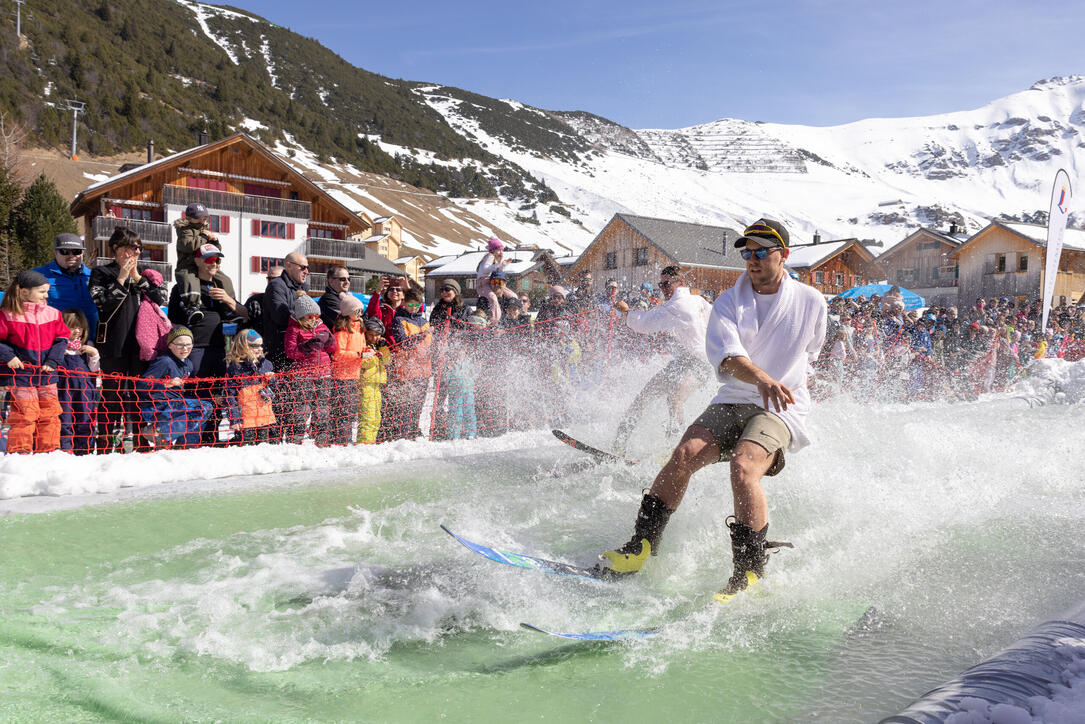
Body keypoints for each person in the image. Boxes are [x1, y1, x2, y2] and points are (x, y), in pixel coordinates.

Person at [596, 219, 827, 601]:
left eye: (760, 251)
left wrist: (786, 385)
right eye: (746, 252)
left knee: (744, 465)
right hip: (734, 395)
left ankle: (750, 570)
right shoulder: (728, 301)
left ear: (783, 255)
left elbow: (812, 351)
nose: (751, 259)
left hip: (778, 407)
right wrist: (762, 377)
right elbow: (729, 358)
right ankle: (642, 547)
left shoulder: (811, 301)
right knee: (683, 455)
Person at [610, 265, 713, 452]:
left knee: (674, 399)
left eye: (667, 284)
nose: (664, 289)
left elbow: (645, 323)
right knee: (643, 397)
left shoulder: (677, 305)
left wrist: (626, 312)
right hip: (685, 362)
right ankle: (618, 447)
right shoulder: (697, 300)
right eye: (661, 284)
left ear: (680, 283)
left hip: (701, 364)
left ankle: (682, 451)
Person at [90, 227, 168, 452]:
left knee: (138, 395)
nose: (134, 252)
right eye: (130, 247)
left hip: (142, 346)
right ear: (116, 248)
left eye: (138, 248)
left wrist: (136, 278)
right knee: (111, 395)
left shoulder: (144, 274)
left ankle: (142, 446)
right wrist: (122, 278)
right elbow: (104, 304)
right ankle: (106, 447)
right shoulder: (101, 273)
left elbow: (160, 297)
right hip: (113, 344)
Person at [167, 243, 247, 445]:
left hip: (220, 348)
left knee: (218, 395)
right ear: (197, 261)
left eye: (218, 259)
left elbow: (245, 316)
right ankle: (191, 439)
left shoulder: (222, 287)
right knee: (195, 395)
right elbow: (174, 321)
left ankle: (211, 437)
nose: (215, 263)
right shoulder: (182, 288)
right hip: (195, 349)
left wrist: (228, 300)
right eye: (210, 259)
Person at [0, 270, 70, 453]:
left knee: (51, 414)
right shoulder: (8, 315)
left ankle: (48, 451)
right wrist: (9, 356)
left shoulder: (54, 314)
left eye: (47, 291)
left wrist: (54, 360)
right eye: (41, 292)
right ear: (24, 292)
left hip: (47, 375)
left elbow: (62, 339)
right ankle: (19, 453)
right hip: (21, 376)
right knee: (25, 414)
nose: (46, 296)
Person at [136, 325, 213, 449]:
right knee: (204, 407)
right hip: (156, 406)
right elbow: (141, 385)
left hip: (174, 404)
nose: (185, 348)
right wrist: (166, 383)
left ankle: (184, 447)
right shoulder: (164, 361)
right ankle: (159, 431)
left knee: (202, 410)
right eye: (180, 345)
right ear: (170, 345)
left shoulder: (188, 364)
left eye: (189, 344)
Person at [282, 293, 338, 445]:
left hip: (323, 374)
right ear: (301, 317)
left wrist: (330, 340)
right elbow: (291, 352)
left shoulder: (322, 326)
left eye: (316, 315)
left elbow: (333, 348)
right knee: (301, 409)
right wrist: (307, 346)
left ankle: (321, 440)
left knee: (322, 409)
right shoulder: (294, 330)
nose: (314, 319)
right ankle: (295, 440)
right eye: (310, 316)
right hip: (304, 376)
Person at [174, 203, 235, 325]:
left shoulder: (205, 231)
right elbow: (188, 246)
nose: (202, 220)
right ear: (189, 218)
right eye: (199, 218)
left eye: (204, 218)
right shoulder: (185, 230)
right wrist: (203, 236)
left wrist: (215, 241)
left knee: (224, 279)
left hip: (205, 263)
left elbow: (214, 250)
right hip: (188, 264)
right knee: (189, 279)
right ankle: (192, 307)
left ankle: (228, 307)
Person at [384, 288, 432, 440]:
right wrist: (421, 336)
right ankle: (402, 435)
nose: (414, 307)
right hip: (407, 370)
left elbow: (429, 346)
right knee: (406, 405)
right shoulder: (399, 320)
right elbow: (402, 343)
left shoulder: (425, 323)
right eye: (411, 304)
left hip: (424, 370)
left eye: (417, 305)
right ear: (404, 303)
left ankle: (413, 431)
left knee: (418, 405)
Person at [35, 233, 98, 341]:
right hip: (54, 342)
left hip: (89, 342)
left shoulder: (94, 276)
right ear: (55, 253)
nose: (71, 255)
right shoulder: (39, 275)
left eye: (76, 251)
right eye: (64, 251)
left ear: (82, 253)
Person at [57, 309, 101, 455]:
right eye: (72, 327)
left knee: (84, 419)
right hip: (63, 390)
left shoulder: (86, 345)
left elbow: (94, 368)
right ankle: (65, 449)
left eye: (80, 327)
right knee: (65, 419)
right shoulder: (59, 346)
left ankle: (84, 451)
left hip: (84, 390)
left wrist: (94, 353)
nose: (77, 331)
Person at [224, 329, 276, 446]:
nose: (260, 349)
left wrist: (272, 380)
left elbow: (275, 390)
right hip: (246, 419)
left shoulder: (266, 364)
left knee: (265, 446)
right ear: (243, 346)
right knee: (246, 447)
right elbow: (229, 395)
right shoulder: (235, 368)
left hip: (265, 417)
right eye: (254, 346)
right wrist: (234, 418)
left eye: (260, 345)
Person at [262, 252, 310, 370]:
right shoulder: (276, 285)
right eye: (303, 267)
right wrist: (306, 321)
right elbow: (281, 316)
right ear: (288, 265)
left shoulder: (302, 288)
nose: (306, 271)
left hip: (296, 349)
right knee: (281, 387)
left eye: (308, 268)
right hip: (279, 350)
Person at [329, 294, 366, 445]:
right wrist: (359, 354)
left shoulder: (359, 328)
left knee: (351, 411)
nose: (360, 314)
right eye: (357, 311)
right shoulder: (342, 330)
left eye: (361, 311)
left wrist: (368, 350)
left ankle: (346, 439)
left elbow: (362, 347)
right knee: (342, 411)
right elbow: (338, 354)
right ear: (348, 312)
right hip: (342, 376)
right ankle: (340, 440)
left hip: (354, 375)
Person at [357, 316, 390, 444]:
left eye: (377, 335)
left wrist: (383, 349)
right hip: (366, 385)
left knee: (376, 417)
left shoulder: (377, 347)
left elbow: (387, 360)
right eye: (371, 334)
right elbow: (364, 363)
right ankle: (364, 443)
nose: (374, 338)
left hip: (377, 386)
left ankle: (371, 441)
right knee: (367, 417)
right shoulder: (364, 346)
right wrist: (373, 355)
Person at [475, 237, 518, 323]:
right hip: (483, 284)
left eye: (502, 250)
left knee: (511, 294)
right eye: (498, 250)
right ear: (493, 250)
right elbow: (485, 269)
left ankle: (516, 306)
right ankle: (495, 319)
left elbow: (498, 270)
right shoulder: (489, 256)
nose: (501, 252)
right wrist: (499, 264)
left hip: (489, 282)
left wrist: (503, 265)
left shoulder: (494, 259)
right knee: (493, 298)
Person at [318, 265, 352, 330]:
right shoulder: (328, 299)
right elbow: (349, 319)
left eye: (349, 279)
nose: (347, 282)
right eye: (343, 279)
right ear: (331, 281)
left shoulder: (343, 298)